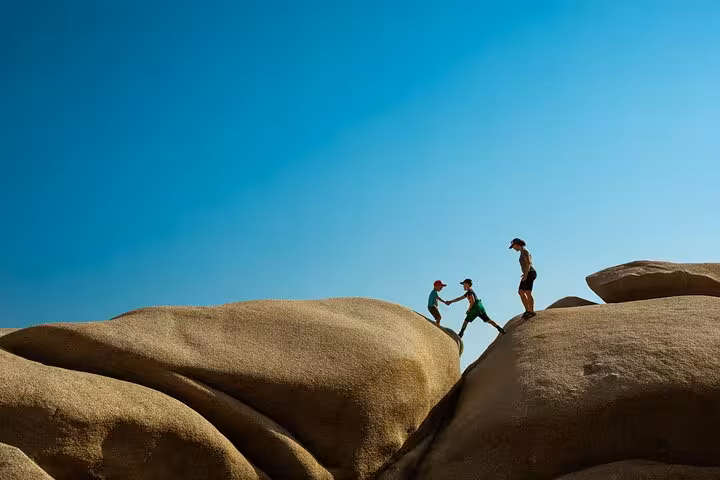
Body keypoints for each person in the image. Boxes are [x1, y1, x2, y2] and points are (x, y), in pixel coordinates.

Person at [509, 238, 537, 319]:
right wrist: (524, 273)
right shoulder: (522, 252)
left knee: (527, 292)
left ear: (517, 244)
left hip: (530, 273)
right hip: (527, 273)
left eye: (514, 246)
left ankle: (531, 311)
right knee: (521, 292)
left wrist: (526, 274)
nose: (514, 248)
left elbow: (528, 263)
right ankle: (528, 310)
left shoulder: (525, 251)